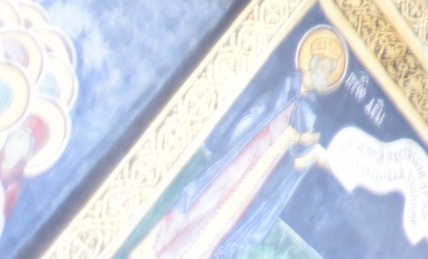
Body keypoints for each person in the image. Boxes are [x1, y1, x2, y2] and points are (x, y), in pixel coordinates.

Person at [132, 26, 348, 258]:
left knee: (228, 219)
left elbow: (295, 159)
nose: (325, 76)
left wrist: (310, 153)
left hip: (260, 176)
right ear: (312, 64)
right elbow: (261, 119)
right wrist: (294, 137)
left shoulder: (309, 110)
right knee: (209, 200)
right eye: (324, 68)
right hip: (242, 159)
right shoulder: (286, 86)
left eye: (330, 72)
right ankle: (169, 248)